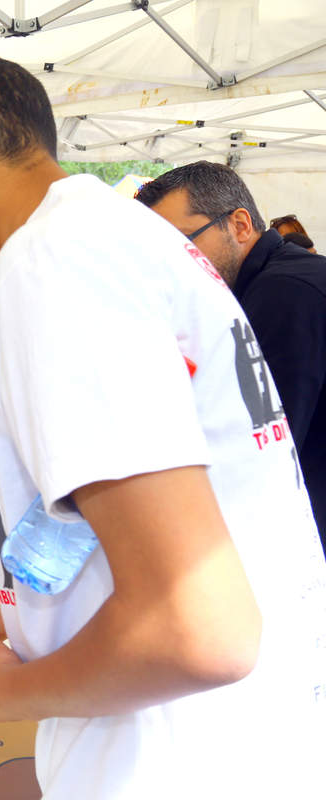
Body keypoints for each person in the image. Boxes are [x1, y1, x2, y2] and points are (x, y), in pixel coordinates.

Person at [0, 53, 326, 798]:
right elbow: (58, 546)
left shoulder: (50, 263)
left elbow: (203, 630)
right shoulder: (123, 238)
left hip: (172, 760)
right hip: (254, 739)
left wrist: (8, 696)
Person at [136, 162, 326, 551]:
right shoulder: (270, 282)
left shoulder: (284, 293)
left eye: (183, 245)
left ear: (240, 225)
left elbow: (257, 451)